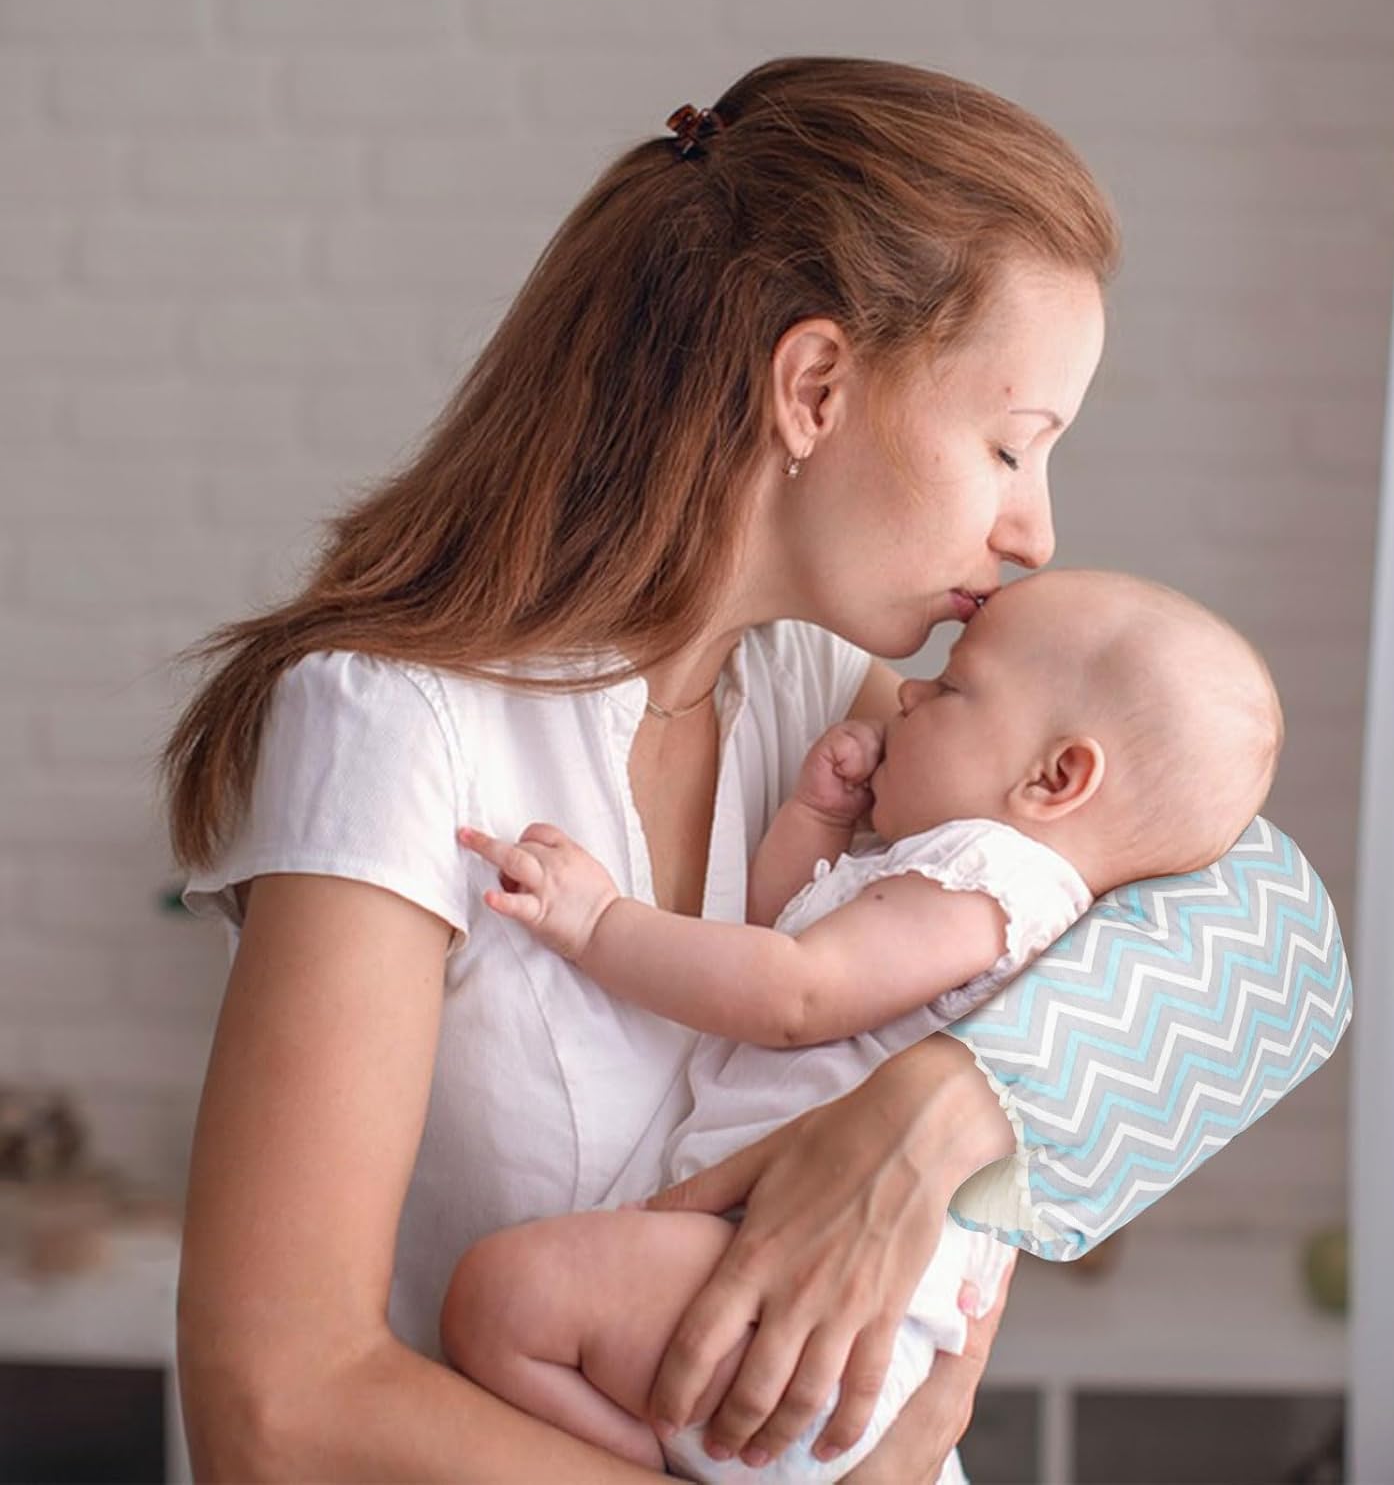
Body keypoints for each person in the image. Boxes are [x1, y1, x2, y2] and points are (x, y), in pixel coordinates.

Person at [162, 56, 1131, 1481]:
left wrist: (950, 1113)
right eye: (1009, 445)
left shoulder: (841, 712)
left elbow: (1272, 945)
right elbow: (276, 1407)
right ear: (813, 386)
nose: (1036, 533)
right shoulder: (397, 728)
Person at [439, 568, 1283, 1481]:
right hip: (792, 1300)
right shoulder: (947, 872)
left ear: (1055, 777)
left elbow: (794, 995)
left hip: (797, 1309)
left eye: (953, 687)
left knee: (503, 1302)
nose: (910, 693)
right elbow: (785, 938)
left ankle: (645, 1456)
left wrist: (600, 926)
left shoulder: (992, 879)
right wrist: (818, 821)